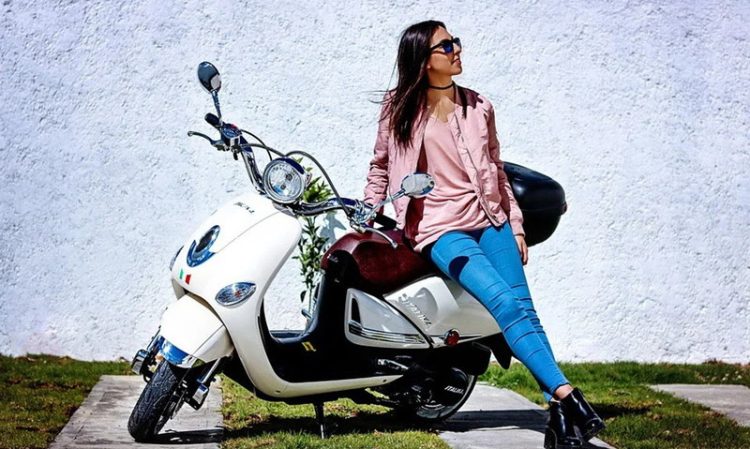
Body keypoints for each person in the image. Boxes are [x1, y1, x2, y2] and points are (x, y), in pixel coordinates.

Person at [362, 20, 605, 449]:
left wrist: (515, 226)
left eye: (455, 42)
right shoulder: (399, 108)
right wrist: (370, 208)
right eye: (446, 45)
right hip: (440, 229)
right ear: (424, 59)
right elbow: (380, 165)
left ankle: (560, 417)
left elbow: (497, 169)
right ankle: (569, 397)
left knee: (524, 311)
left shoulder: (479, 106)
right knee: (504, 304)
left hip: (491, 222)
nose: (457, 49)